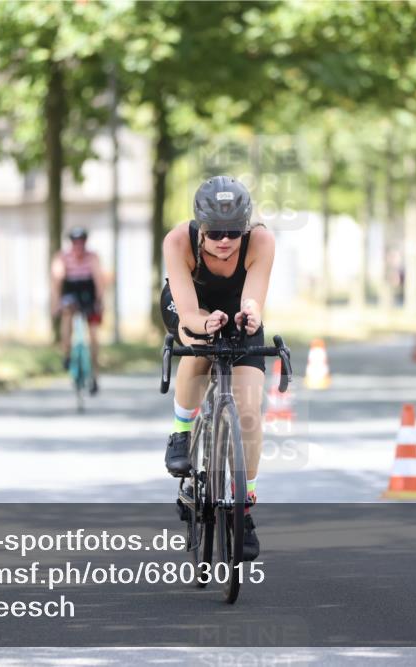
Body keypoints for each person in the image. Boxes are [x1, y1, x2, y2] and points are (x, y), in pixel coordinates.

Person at [160, 175, 275, 561]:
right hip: (191, 304)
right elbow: (190, 313)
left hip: (239, 311)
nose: (224, 241)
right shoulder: (178, 242)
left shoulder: (261, 241)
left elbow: (254, 298)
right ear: (199, 227)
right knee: (198, 348)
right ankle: (181, 431)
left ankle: (244, 505)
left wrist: (251, 317)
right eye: (214, 233)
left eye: (233, 232)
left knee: (249, 412)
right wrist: (201, 324)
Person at [50, 228, 105, 394]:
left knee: (94, 336)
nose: (78, 246)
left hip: (88, 293)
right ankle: (66, 353)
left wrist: (100, 302)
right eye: (75, 242)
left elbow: (99, 281)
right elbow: (57, 281)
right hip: (71, 292)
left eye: (82, 242)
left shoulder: (92, 257)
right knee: (67, 316)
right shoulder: (62, 257)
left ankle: (94, 375)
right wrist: (55, 303)